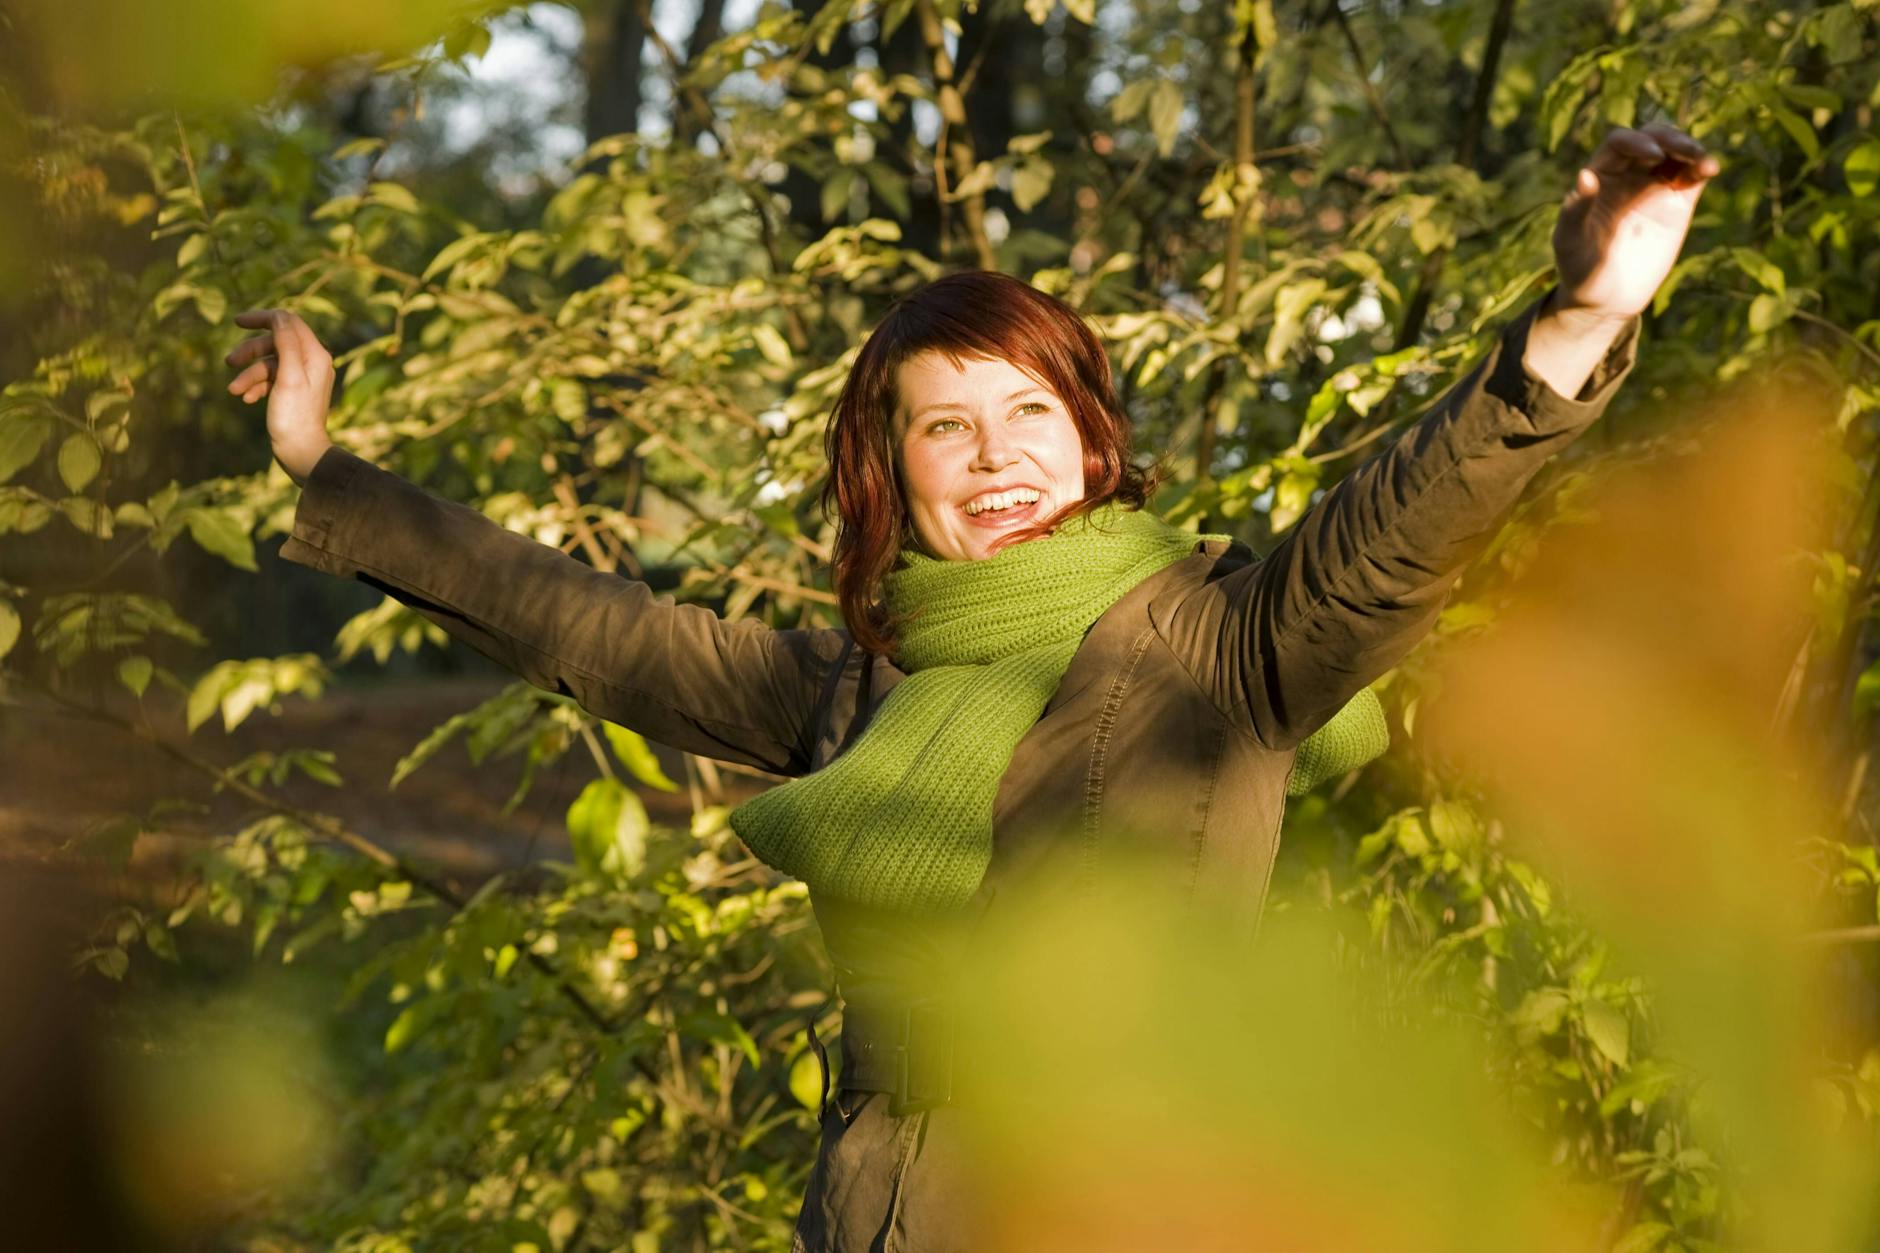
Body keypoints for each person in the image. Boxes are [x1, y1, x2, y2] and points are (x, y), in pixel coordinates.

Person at [228, 122, 1717, 1252]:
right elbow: (582, 625)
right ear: (892, 473)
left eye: (1029, 411)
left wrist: (1575, 326)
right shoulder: (844, 695)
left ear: (1090, 441)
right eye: (947, 426)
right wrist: (321, 464)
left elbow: (1396, 532)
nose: (998, 455)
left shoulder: (1219, 644)